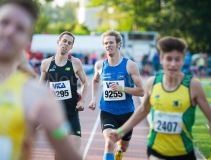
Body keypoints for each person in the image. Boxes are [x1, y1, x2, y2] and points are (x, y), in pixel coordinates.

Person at [0, 1, 82, 160]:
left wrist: (56, 131)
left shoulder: (38, 96)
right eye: (4, 22)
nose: (10, 31)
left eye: (20, 29)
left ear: (26, 41)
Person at [109, 37, 211, 160]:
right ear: (161, 59)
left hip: (183, 153)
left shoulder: (193, 86)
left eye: (177, 59)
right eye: (169, 59)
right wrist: (120, 132)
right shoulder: (153, 83)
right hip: (156, 150)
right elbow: (143, 110)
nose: (173, 64)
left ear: (183, 60)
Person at [88, 29, 144, 160]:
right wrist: (93, 99)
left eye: (111, 43)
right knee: (109, 143)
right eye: (106, 43)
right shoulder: (100, 65)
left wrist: (122, 88)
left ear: (118, 44)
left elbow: (141, 91)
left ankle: (119, 152)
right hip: (108, 111)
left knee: (123, 147)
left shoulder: (130, 65)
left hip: (126, 113)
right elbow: (95, 80)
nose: (108, 45)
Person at [39, 31, 88, 160]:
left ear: (71, 47)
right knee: (61, 152)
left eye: (69, 43)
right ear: (58, 42)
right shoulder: (46, 64)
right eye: (64, 41)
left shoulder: (75, 63)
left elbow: (85, 83)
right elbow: (40, 88)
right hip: (56, 116)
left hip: (71, 113)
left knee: (75, 147)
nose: (66, 44)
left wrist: (82, 101)